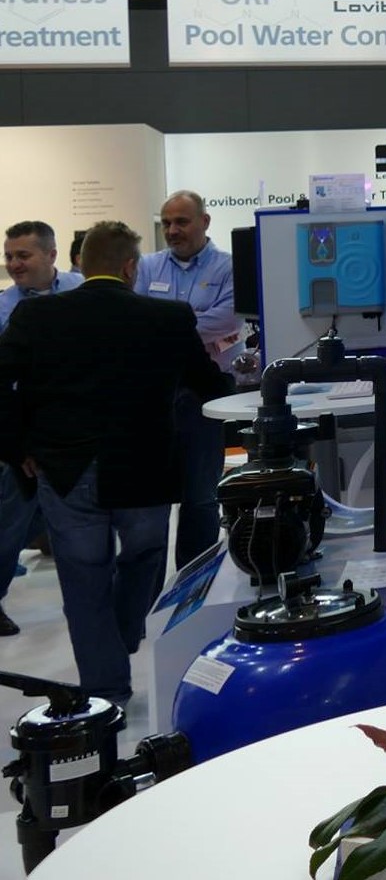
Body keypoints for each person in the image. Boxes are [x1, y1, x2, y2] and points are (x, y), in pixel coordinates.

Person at [0, 220, 230, 707]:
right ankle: (125, 630)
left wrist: (19, 448)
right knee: (145, 554)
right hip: (144, 469)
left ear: (81, 265)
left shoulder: (35, 316)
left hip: (65, 469)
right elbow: (209, 386)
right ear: (131, 268)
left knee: (83, 580)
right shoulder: (167, 318)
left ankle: (106, 692)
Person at [136, 191, 241, 569]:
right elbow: (135, 318)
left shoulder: (229, 268)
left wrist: (164, 328)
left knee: (201, 496)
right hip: (154, 395)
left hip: (204, 392)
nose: (172, 230)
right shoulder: (147, 267)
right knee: (153, 496)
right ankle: (152, 589)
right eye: (166, 223)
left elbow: (228, 320)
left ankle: (194, 579)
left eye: (181, 221)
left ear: (205, 221)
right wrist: (187, 327)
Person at [0, 220, 85, 637]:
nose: (14, 264)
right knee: (9, 519)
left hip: (82, 425)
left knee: (86, 520)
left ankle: (91, 603)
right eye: (9, 256)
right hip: (25, 429)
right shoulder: (3, 308)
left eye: (23, 255)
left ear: (51, 255)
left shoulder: (82, 292)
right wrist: (17, 446)